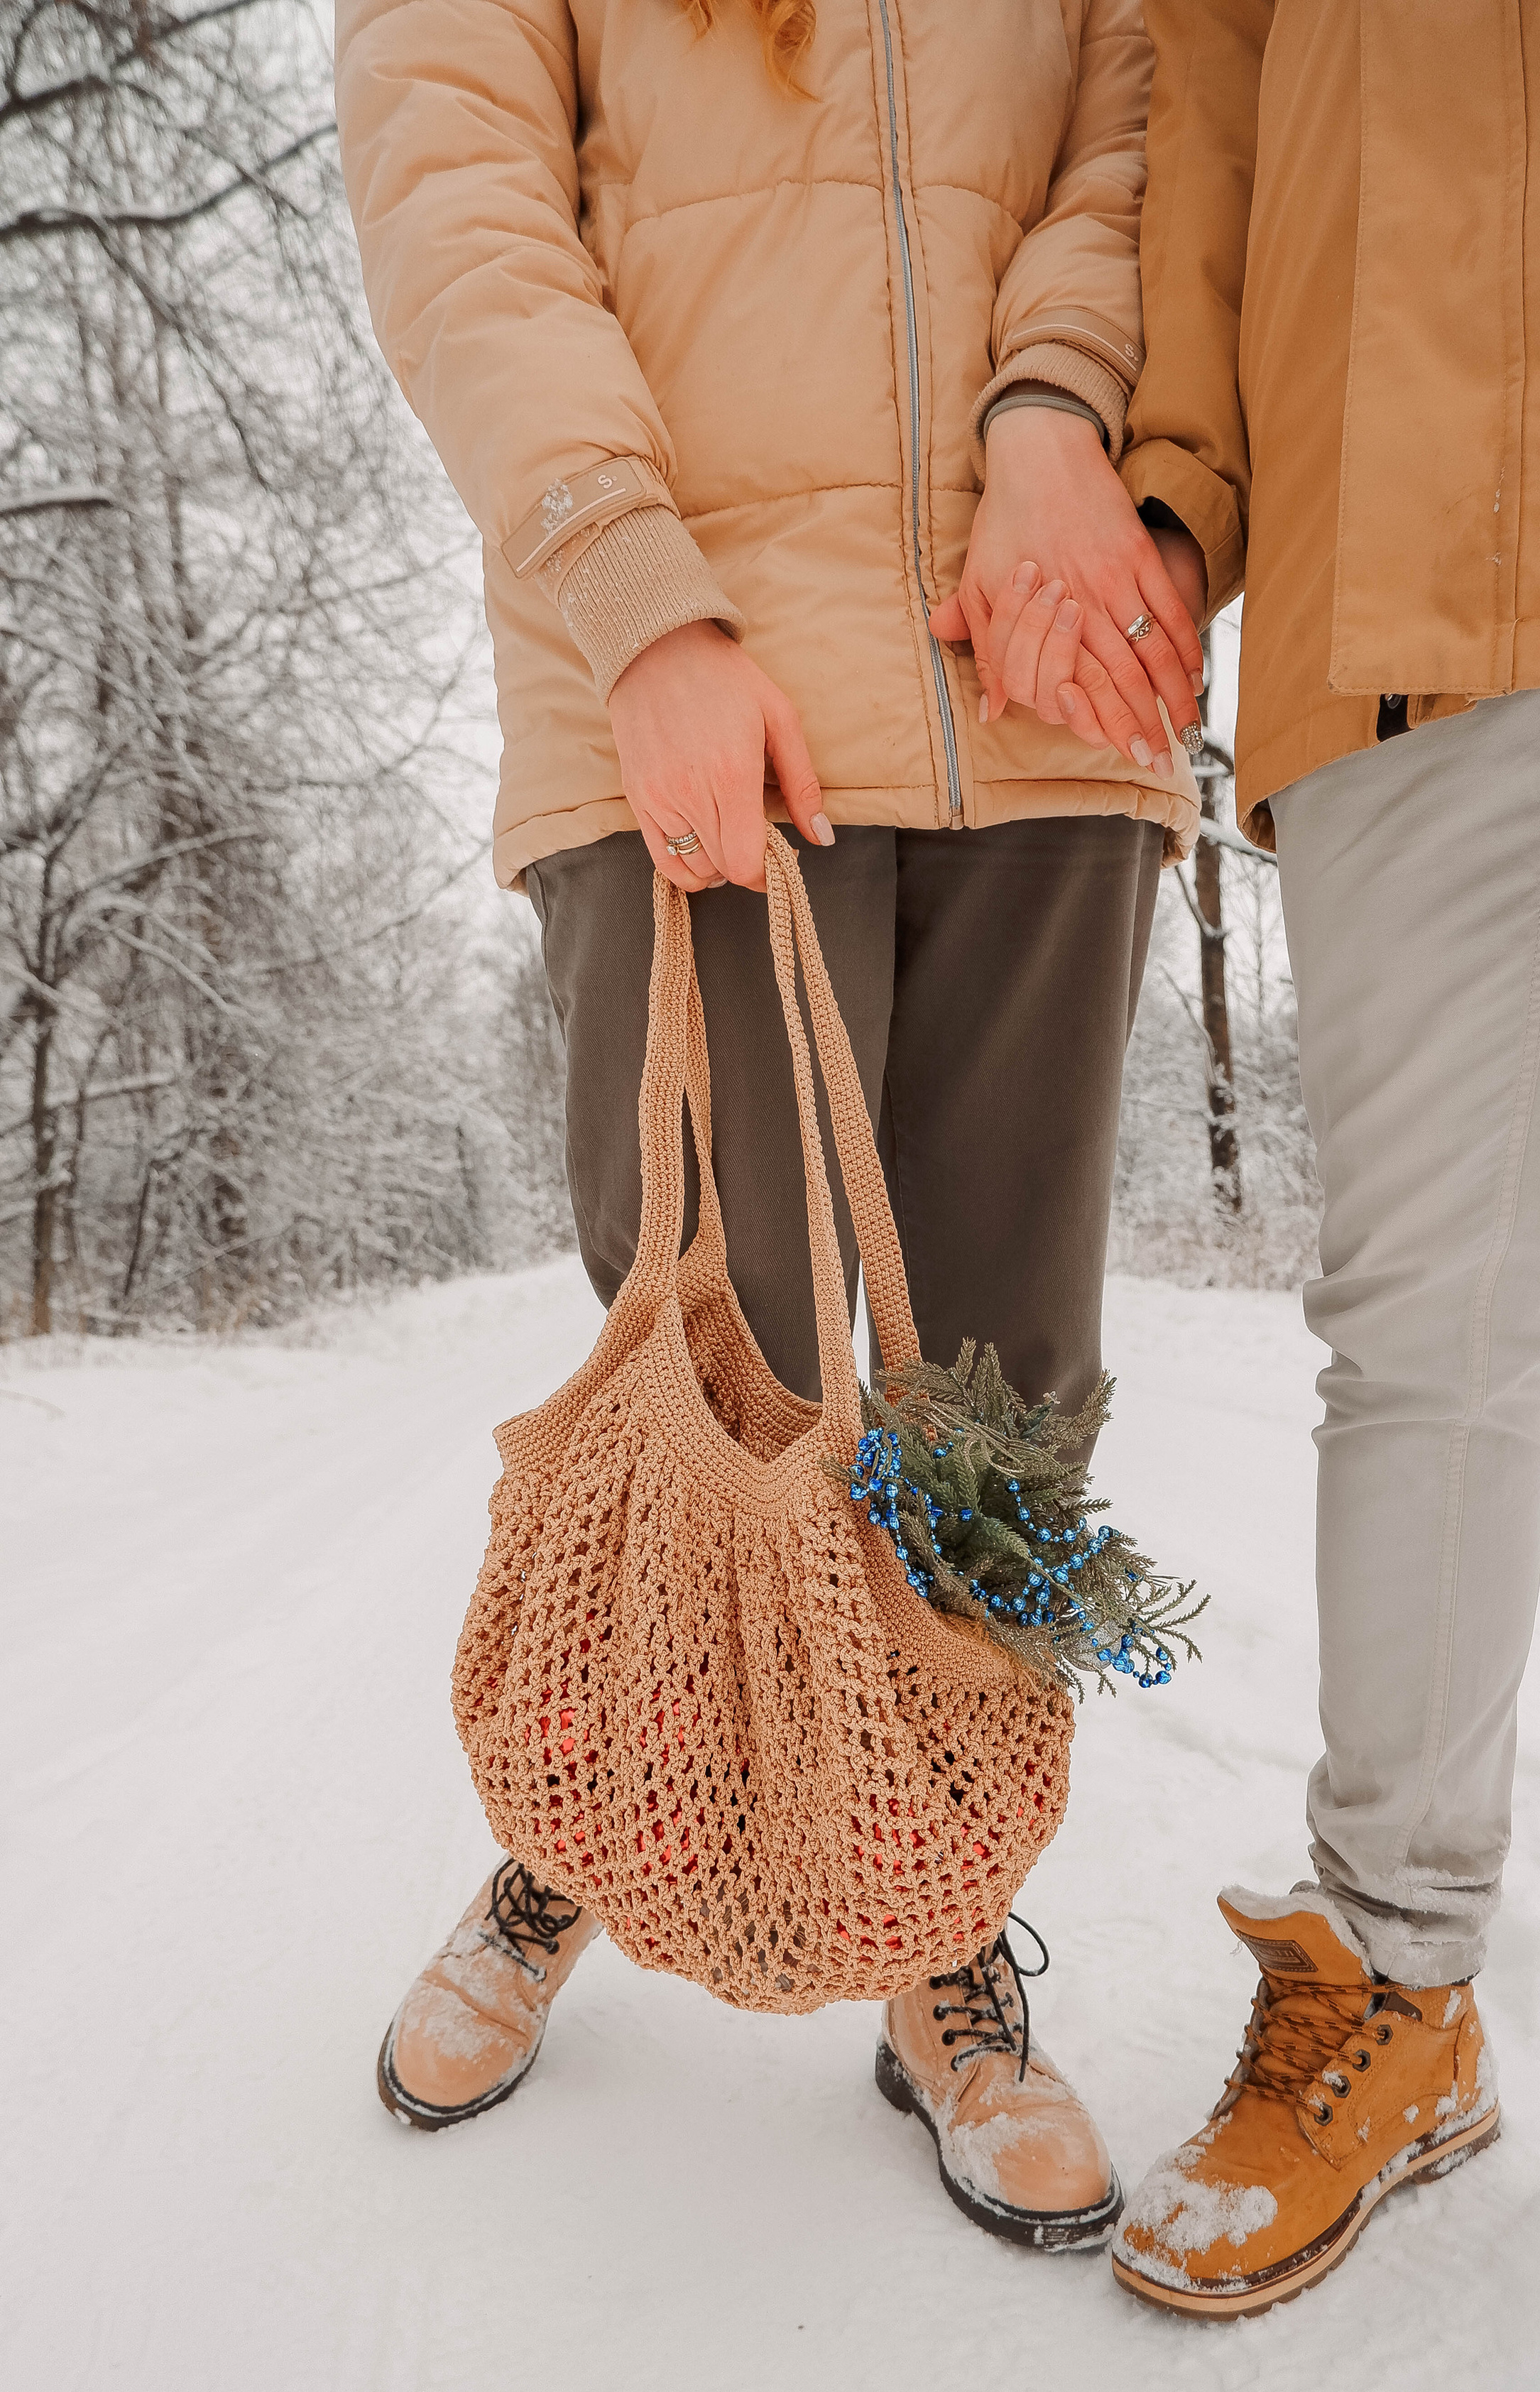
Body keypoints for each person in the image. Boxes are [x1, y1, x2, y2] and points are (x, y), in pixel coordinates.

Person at [1003, 0, 1540, 2392]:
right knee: (1421, 1324)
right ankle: (1397, 1977)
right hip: (1401, 491)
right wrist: (1170, 484)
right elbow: (1211, 86)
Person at [334, 0, 1206, 2251]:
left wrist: (1052, 425)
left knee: (1001, 1399)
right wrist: (634, 598)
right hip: (694, 696)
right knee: (718, 1370)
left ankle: (928, 1913)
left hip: (1038, 684)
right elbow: (462, 193)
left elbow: (1135, 151)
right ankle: (601, 1823)